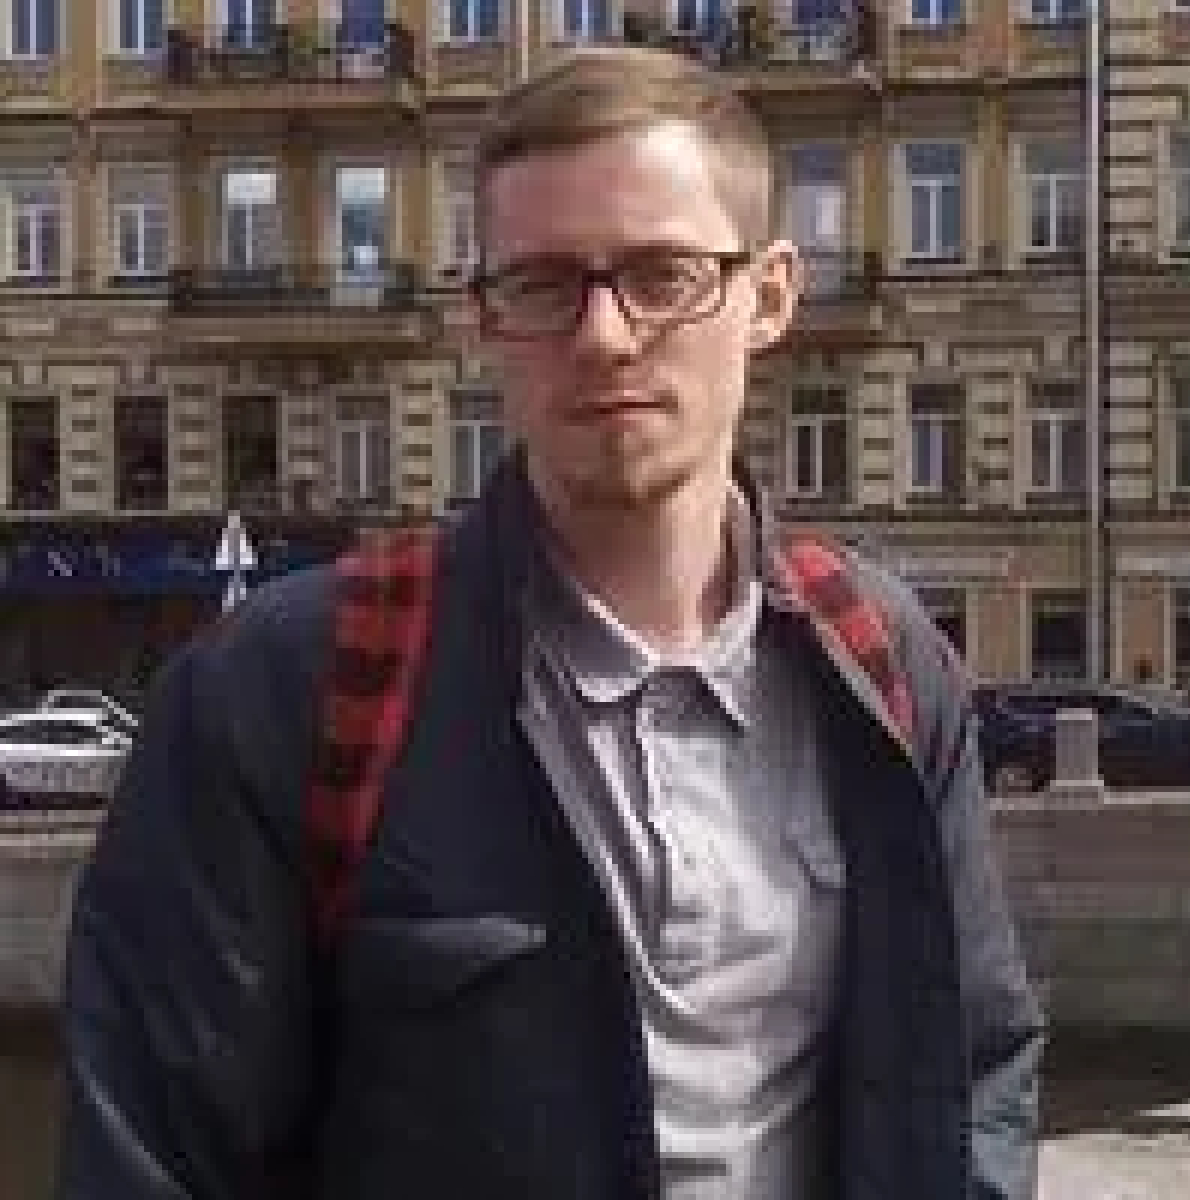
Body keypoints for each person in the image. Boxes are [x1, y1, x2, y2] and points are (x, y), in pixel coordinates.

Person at [57, 46, 1043, 1200]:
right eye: (542, 284)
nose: (605, 336)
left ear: (770, 296)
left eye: (665, 275)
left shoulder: (881, 657)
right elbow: (153, 1148)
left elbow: (974, 1064)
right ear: (484, 318)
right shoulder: (289, 685)